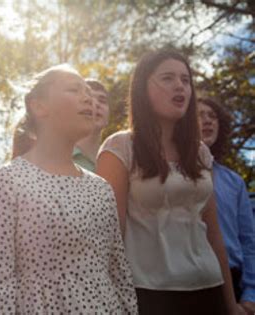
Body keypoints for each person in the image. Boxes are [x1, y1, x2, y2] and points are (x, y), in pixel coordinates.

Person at [0, 64, 138, 314]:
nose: (88, 98)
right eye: (75, 89)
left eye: (89, 93)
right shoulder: (7, 181)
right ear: (39, 106)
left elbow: (119, 274)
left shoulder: (101, 188)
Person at [96, 49, 240, 315]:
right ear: (142, 87)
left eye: (185, 80)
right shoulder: (119, 147)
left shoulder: (200, 153)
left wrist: (231, 304)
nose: (180, 86)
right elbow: (109, 237)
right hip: (147, 294)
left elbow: (214, 233)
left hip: (210, 289)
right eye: (168, 78)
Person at [198, 96, 255, 314]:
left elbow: (249, 240)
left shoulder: (235, 182)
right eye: (199, 115)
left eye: (212, 116)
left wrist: (250, 294)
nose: (208, 121)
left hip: (235, 281)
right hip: (188, 283)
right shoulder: (169, 176)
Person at [73, 79, 109, 172]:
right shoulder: (57, 158)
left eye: (102, 100)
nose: (96, 104)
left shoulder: (116, 158)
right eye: (88, 99)